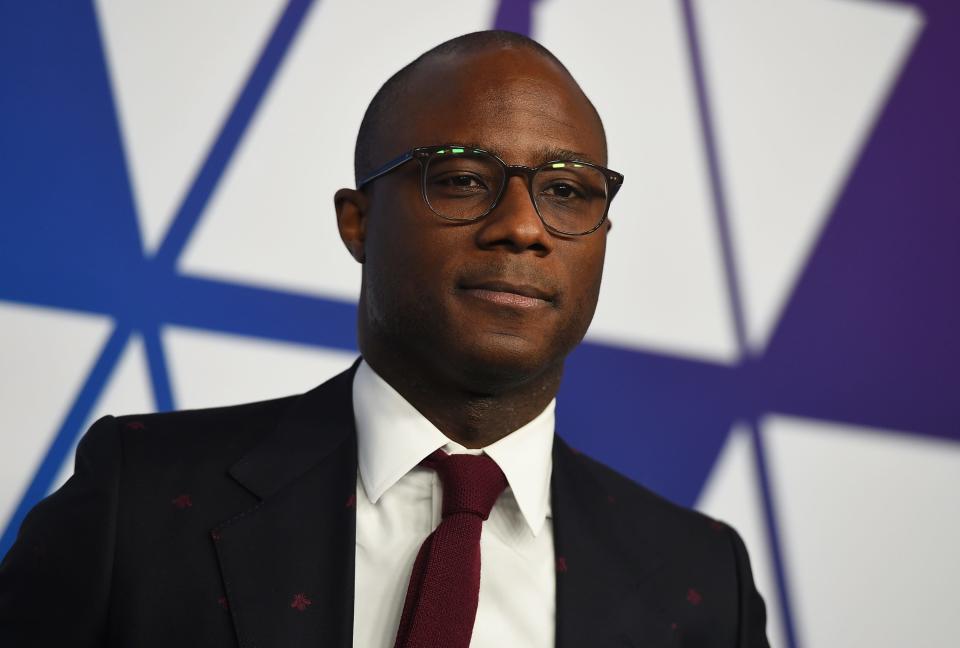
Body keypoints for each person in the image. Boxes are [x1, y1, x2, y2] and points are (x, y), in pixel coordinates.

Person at [0, 30, 769, 647]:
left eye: (567, 191)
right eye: (464, 178)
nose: (523, 226)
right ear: (357, 222)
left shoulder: (702, 581)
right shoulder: (140, 496)